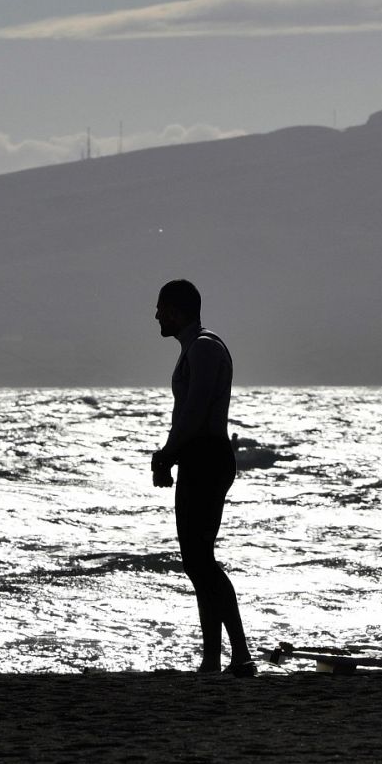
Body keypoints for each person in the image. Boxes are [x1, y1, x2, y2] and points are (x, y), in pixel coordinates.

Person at [150, 279, 254, 676]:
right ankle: (212, 657)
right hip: (195, 458)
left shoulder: (205, 347)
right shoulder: (192, 349)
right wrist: (172, 457)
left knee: (203, 560)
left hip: (209, 457)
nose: (156, 315)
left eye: (161, 307)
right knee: (195, 561)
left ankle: (241, 654)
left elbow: (194, 413)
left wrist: (167, 454)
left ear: (178, 310)